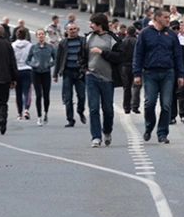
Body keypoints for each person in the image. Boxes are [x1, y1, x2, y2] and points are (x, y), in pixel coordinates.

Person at [133, 7, 184, 143]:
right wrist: (137, 73)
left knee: (166, 104)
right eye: (166, 17)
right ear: (157, 18)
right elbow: (138, 54)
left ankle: (162, 133)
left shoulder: (171, 35)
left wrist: (180, 75)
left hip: (168, 73)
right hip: (150, 73)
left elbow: (177, 56)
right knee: (149, 102)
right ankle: (149, 126)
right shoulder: (145, 34)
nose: (169, 20)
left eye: (169, 17)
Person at [84, 13, 123, 147]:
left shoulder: (112, 39)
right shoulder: (88, 38)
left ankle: (107, 131)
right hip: (91, 77)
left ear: (100, 24)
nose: (90, 25)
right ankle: (96, 137)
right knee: (93, 109)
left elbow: (120, 56)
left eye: (93, 23)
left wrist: (102, 52)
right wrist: (85, 70)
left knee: (108, 109)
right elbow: (81, 56)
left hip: (108, 79)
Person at [54, 22, 87, 127]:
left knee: (81, 96)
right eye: (71, 29)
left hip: (80, 73)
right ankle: (70, 120)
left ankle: (80, 110)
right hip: (67, 72)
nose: (73, 31)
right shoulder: (63, 43)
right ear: (67, 31)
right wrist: (55, 74)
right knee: (68, 98)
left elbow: (87, 56)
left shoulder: (83, 41)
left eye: (74, 29)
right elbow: (58, 58)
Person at [25, 30, 56, 125]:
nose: (41, 36)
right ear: (37, 36)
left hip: (46, 73)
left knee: (46, 95)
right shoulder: (34, 47)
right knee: (38, 95)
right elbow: (27, 60)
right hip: (36, 73)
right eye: (39, 34)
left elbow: (56, 59)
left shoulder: (50, 47)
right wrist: (33, 64)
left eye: (42, 34)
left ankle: (46, 112)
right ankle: (39, 117)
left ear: (45, 36)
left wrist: (49, 64)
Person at [12, 28, 34, 120]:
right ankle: (26, 109)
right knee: (27, 91)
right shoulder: (30, 45)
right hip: (27, 69)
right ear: (25, 35)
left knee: (18, 93)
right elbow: (33, 58)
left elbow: (11, 59)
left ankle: (19, 113)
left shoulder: (12, 45)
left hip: (17, 70)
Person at [120, 25, 141, 114]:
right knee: (136, 86)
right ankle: (135, 105)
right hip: (135, 65)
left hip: (125, 66)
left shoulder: (122, 41)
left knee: (126, 87)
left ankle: (126, 107)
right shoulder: (137, 41)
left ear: (127, 32)